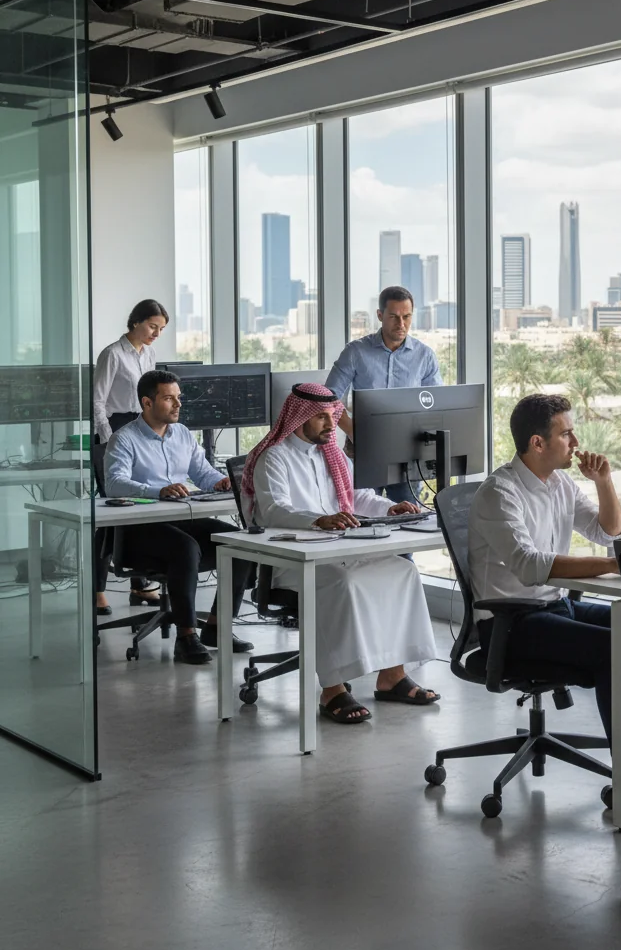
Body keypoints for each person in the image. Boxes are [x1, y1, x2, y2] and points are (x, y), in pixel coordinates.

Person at [467, 393, 621, 825]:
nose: (575, 441)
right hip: (511, 621)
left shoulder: (559, 484)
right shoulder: (498, 494)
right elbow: (530, 564)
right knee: (609, 649)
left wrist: (603, 481)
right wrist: (615, 565)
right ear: (537, 443)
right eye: (566, 433)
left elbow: (607, 530)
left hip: (555, 608)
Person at [242, 382, 440, 724]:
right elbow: (273, 511)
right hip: (293, 556)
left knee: (401, 571)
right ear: (298, 416)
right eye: (320, 417)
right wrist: (319, 519)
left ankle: (392, 675)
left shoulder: (330, 454)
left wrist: (391, 508)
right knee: (344, 581)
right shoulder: (274, 457)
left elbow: (357, 497)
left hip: (342, 547)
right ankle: (332, 689)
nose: (330, 424)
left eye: (333, 415)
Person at [104, 370, 254, 665]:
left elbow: (202, 471)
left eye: (178, 398)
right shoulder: (124, 439)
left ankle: (216, 628)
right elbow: (114, 483)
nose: (178, 405)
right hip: (140, 529)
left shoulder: (182, 433)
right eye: (169, 398)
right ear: (147, 403)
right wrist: (158, 490)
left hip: (182, 519)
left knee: (239, 543)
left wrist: (219, 481)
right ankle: (186, 636)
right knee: (185, 548)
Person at [324, 285, 441, 503]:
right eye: (394, 317)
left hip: (407, 451)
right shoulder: (355, 352)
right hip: (364, 450)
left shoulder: (425, 356)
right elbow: (327, 399)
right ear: (380, 315)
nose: (401, 324)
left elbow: (435, 405)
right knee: (361, 514)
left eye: (407, 317)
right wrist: (353, 431)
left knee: (406, 516)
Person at [92, 299, 168, 616]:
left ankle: (139, 585)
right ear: (135, 322)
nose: (156, 334)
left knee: (143, 505)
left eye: (161, 329)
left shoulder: (148, 354)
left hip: (142, 428)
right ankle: (98, 590)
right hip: (115, 430)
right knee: (113, 513)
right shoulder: (112, 354)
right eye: (152, 326)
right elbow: (97, 401)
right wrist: (111, 440)